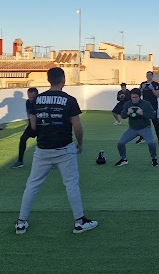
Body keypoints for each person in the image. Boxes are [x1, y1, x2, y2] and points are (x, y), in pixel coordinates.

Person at [15, 67, 97, 235]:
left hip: (42, 149)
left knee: (32, 185)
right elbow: (77, 127)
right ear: (63, 79)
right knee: (71, 184)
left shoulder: (36, 100)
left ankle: (21, 223)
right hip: (64, 149)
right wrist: (80, 144)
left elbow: (33, 125)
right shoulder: (69, 100)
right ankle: (79, 221)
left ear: (48, 80)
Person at [116, 88, 158, 166]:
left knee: (151, 143)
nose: (134, 99)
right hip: (132, 128)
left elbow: (153, 116)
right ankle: (123, 159)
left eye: (136, 97)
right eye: (132, 97)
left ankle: (154, 159)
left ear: (140, 96)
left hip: (145, 128)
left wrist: (142, 113)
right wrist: (128, 113)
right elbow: (123, 116)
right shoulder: (127, 104)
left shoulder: (146, 104)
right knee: (120, 143)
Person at [13, 87, 39, 168]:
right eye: (29, 97)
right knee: (23, 138)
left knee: (43, 143)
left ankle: (51, 161)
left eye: (32, 97)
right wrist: (30, 123)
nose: (30, 99)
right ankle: (20, 161)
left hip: (42, 125)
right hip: (32, 124)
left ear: (37, 95)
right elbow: (29, 113)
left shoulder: (41, 102)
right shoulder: (28, 102)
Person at [136, 71, 159, 145]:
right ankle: (142, 138)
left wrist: (152, 89)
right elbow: (138, 94)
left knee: (155, 122)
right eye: (147, 75)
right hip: (144, 106)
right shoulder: (143, 83)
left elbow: (157, 95)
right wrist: (141, 89)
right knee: (143, 122)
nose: (148, 76)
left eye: (150, 75)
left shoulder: (155, 84)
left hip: (153, 106)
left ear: (152, 76)